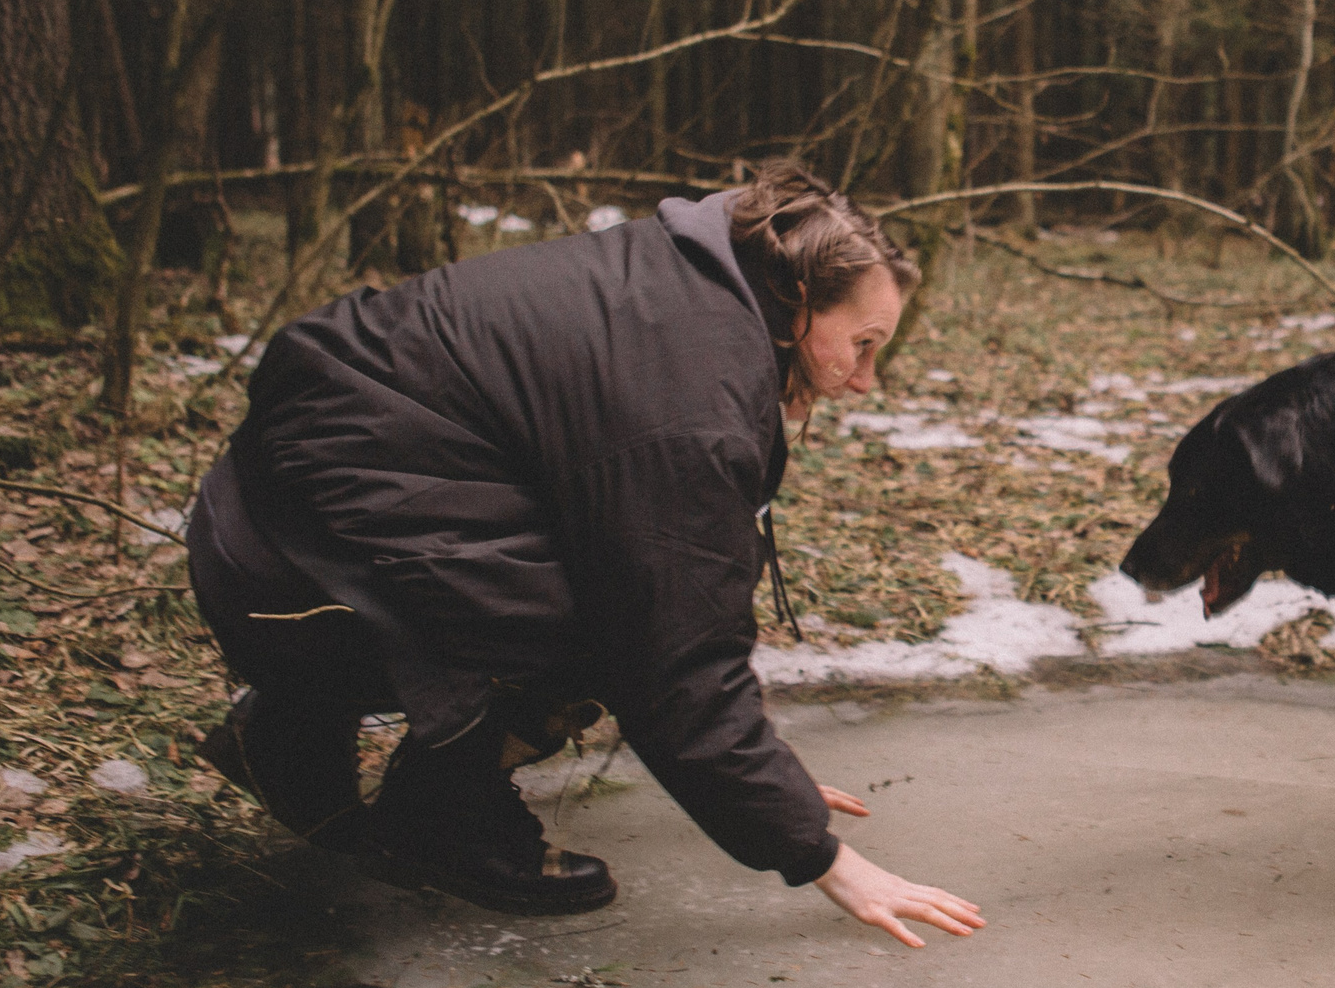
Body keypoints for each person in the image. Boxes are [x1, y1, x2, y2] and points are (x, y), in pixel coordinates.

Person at [184, 162, 983, 948]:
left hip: (265, 526)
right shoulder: (693, 397)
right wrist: (820, 853)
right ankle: (442, 816)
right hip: (291, 573)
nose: (866, 379)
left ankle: (291, 732)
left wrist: (770, 779)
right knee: (614, 616)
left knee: (606, 579)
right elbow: (677, 657)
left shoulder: (681, 281)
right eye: (863, 344)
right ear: (801, 298)